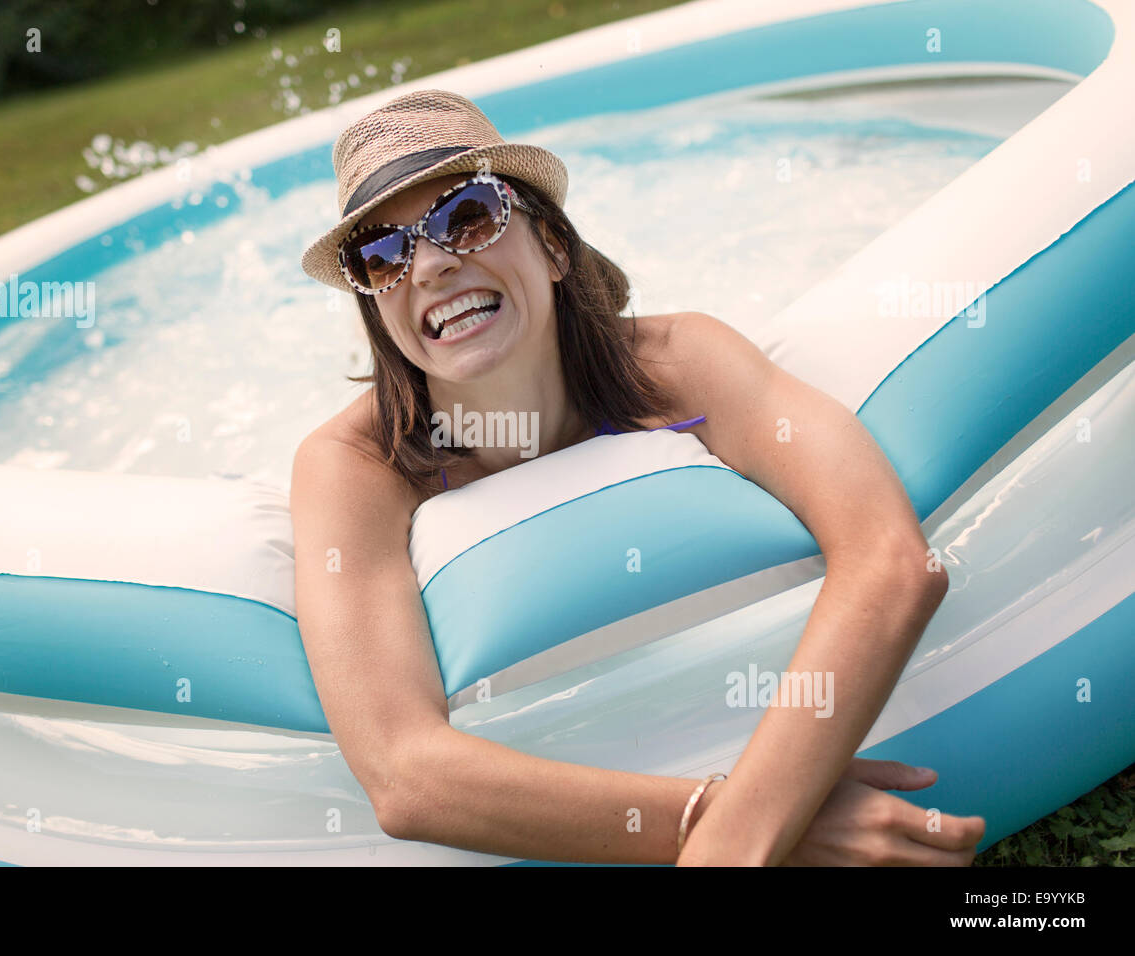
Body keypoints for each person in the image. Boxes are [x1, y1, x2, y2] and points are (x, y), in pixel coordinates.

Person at [293, 88, 984, 865]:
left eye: (467, 217)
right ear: (373, 306)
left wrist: (740, 829)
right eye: (381, 255)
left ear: (553, 246)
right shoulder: (357, 466)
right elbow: (406, 774)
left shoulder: (683, 363)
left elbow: (891, 560)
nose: (431, 264)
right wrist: (737, 822)